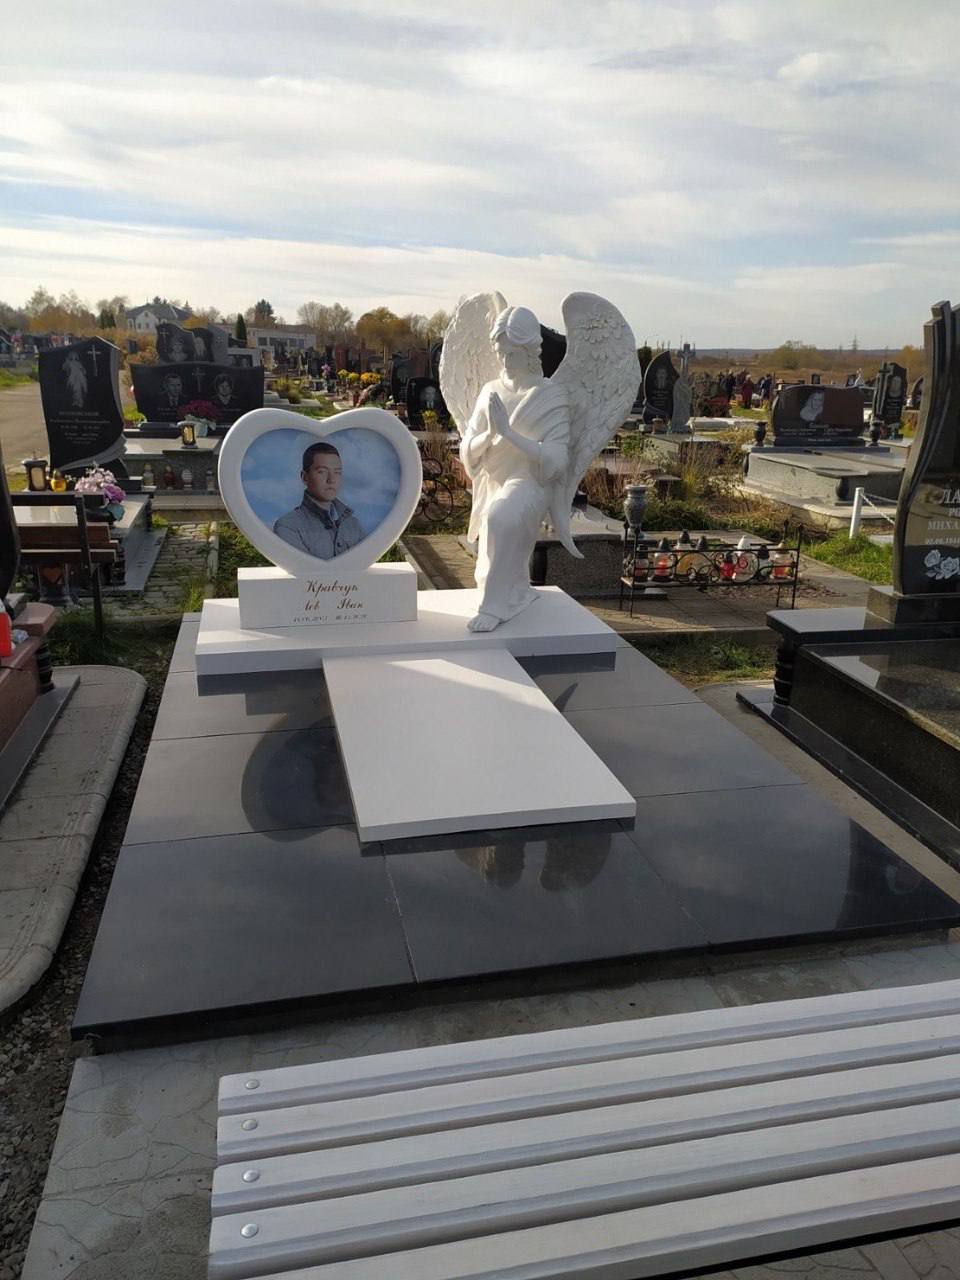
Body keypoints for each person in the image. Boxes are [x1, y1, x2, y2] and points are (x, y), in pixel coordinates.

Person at [459, 305, 570, 632]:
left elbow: (556, 461)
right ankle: (515, 591)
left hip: (530, 481)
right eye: (501, 353)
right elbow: (468, 448)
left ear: (530, 350)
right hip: (494, 481)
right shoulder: (490, 390)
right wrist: (490, 436)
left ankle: (494, 605)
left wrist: (509, 434)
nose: (505, 361)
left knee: (502, 517)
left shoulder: (550, 395)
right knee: (496, 521)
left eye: (513, 354)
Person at [273, 442, 364, 559]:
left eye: (337, 472)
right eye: (322, 471)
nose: (331, 480)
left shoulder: (353, 524)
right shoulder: (288, 526)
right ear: (305, 477)